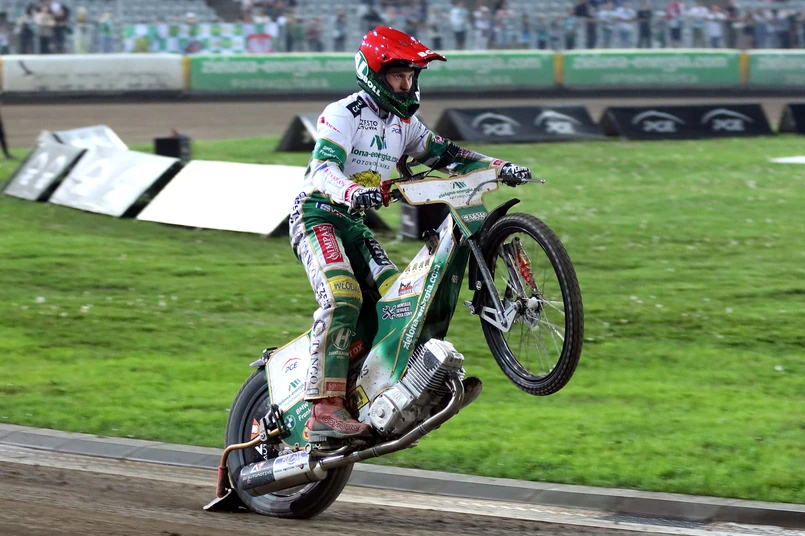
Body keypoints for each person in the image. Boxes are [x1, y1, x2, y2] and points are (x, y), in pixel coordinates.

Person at [290, 26, 532, 441]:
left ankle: (389, 384)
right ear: (374, 75)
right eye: (398, 76)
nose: (406, 84)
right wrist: (352, 191)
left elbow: (451, 155)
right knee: (343, 296)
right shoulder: (343, 113)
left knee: (400, 300)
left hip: (354, 224)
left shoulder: (405, 124)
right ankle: (323, 410)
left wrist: (499, 167)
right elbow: (322, 170)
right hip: (317, 217)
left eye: (410, 76)